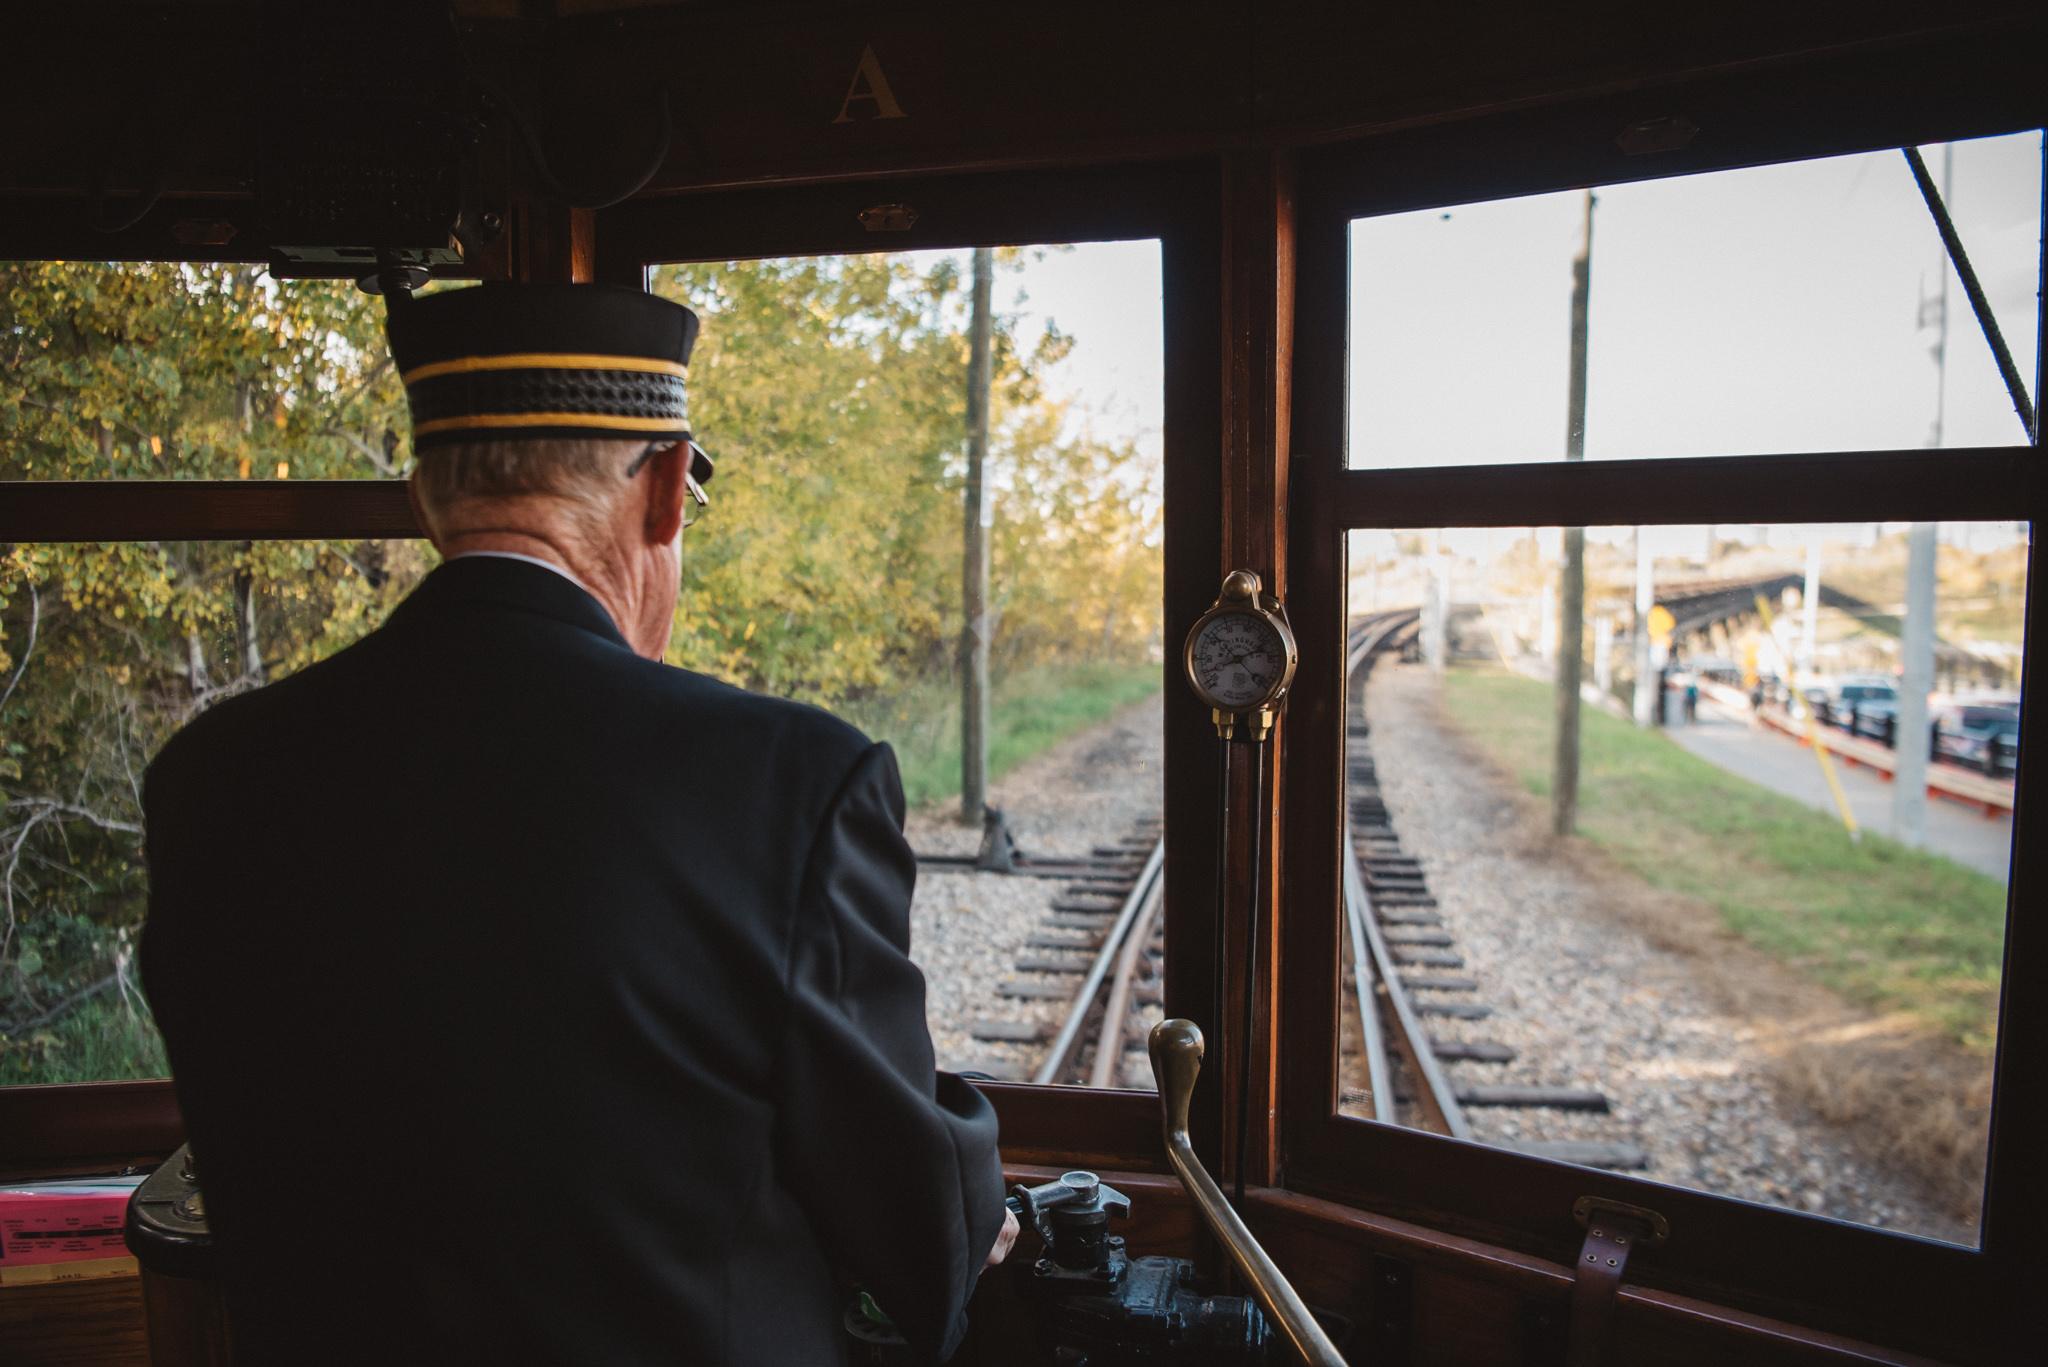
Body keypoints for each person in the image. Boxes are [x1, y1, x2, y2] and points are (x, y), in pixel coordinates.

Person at [140, 282, 1016, 1366]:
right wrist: (972, 1191)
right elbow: (921, 1244)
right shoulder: (789, 778)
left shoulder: (208, 779)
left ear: (425, 500)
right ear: (660, 489)